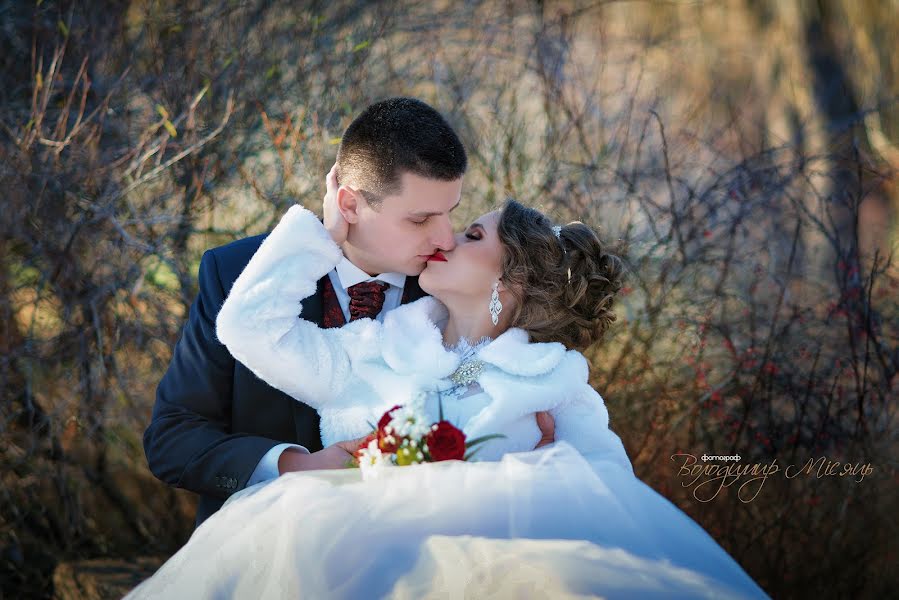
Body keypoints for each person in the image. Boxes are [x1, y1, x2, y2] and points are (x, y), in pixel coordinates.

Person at [126, 175, 771, 598]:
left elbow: (611, 498)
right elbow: (249, 329)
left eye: (468, 235)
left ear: (511, 279)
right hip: (360, 546)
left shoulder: (553, 382)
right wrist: (323, 233)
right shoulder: (378, 347)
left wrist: (547, 472)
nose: (441, 241)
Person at [142, 97, 557, 528]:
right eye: (419, 220)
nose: (444, 238)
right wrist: (293, 466)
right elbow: (173, 438)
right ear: (350, 205)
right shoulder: (241, 275)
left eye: (449, 213)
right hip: (263, 546)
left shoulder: (452, 292)